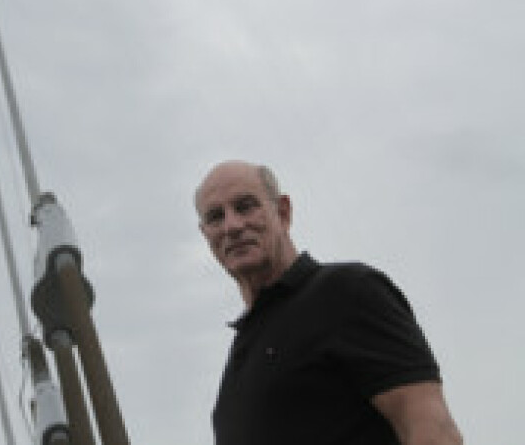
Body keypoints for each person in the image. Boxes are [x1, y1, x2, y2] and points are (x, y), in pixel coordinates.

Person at [195, 161, 462, 445]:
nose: (232, 226)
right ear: (205, 234)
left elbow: (432, 428)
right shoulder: (242, 350)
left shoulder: (348, 292)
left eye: (245, 206)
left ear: (283, 212)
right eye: (215, 217)